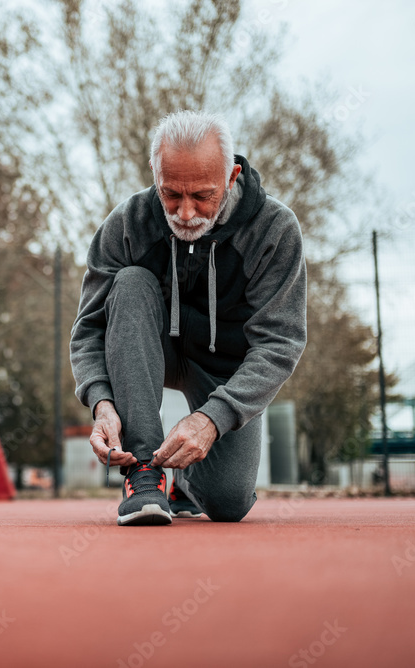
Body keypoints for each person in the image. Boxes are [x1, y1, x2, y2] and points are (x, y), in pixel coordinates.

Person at [69, 110, 307, 526]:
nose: (184, 212)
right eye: (171, 194)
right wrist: (102, 404)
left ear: (232, 177)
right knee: (130, 284)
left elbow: (280, 342)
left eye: (202, 195)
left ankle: (185, 484)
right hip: (150, 344)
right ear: (155, 173)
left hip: (224, 364)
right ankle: (145, 473)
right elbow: (89, 330)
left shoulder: (274, 230)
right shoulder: (127, 224)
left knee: (229, 503)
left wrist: (212, 419)